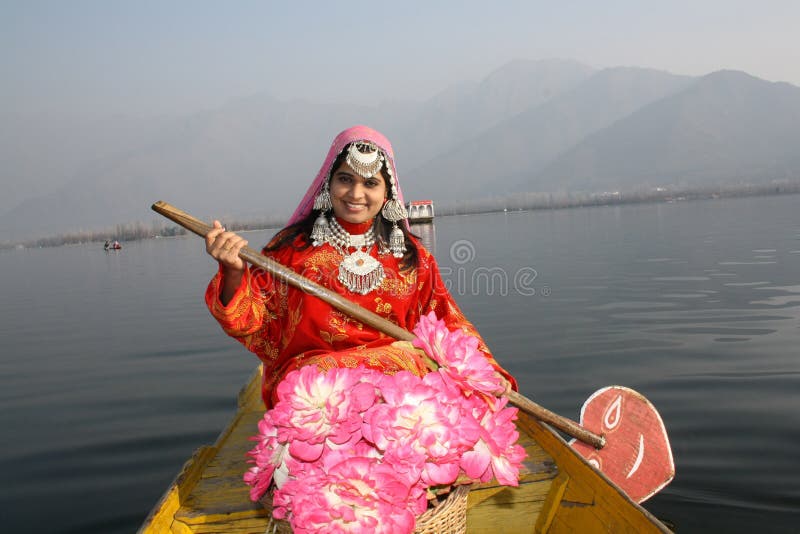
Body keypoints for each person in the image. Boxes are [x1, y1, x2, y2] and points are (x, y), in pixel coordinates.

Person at [204, 125, 516, 408]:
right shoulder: (289, 253)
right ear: (328, 184)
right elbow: (253, 323)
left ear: (387, 193)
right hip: (317, 390)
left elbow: (447, 323)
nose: (356, 194)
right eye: (345, 179)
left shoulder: (412, 257)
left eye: (370, 183)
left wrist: (487, 371)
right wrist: (232, 272)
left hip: (401, 389)